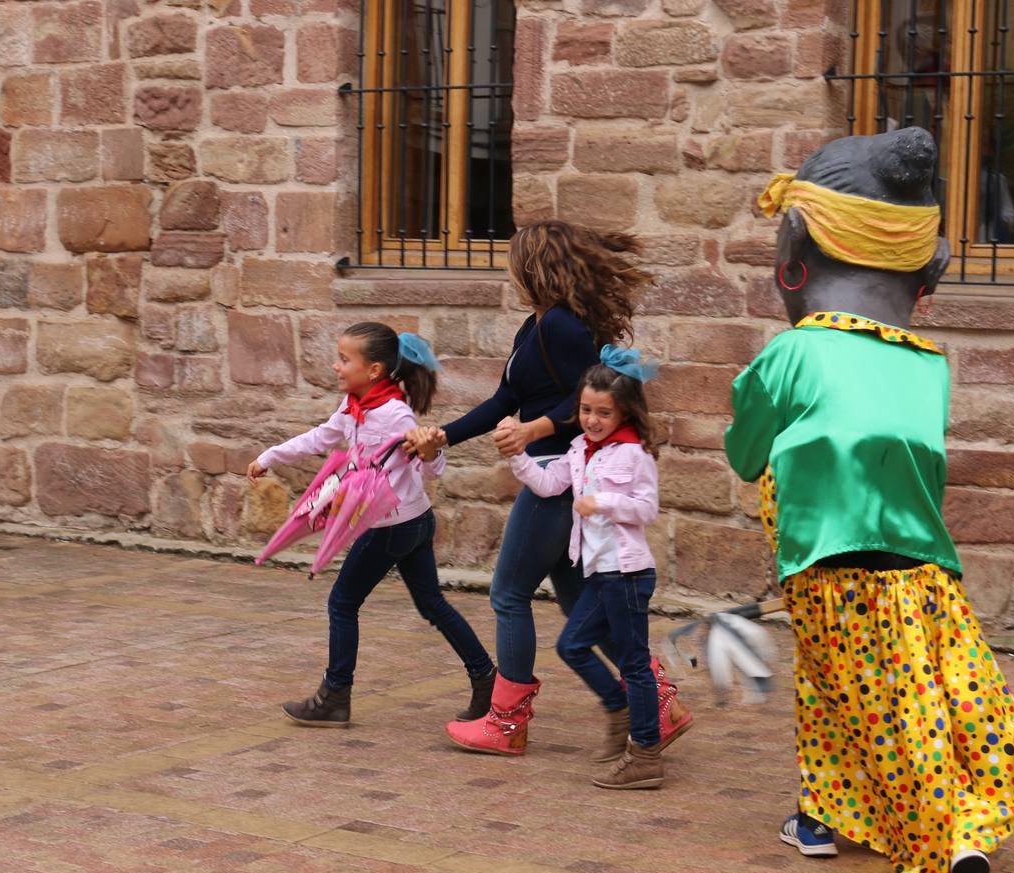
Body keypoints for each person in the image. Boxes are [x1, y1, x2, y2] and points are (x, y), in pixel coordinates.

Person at [725, 128, 1014, 873]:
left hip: (829, 571)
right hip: (925, 569)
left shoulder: (793, 352)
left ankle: (937, 844)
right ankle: (864, 819)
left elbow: (743, 452)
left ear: (795, 267)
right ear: (915, 283)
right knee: (947, 699)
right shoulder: (927, 365)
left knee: (860, 703)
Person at [405, 220, 692, 756]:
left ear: (533, 264)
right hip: (550, 466)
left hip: (559, 472)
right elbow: (502, 401)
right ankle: (660, 700)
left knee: (508, 593)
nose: (508, 266)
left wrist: (537, 429)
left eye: (515, 257)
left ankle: (506, 723)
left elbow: (591, 399)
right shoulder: (534, 325)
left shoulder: (562, 325)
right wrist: (444, 436)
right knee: (574, 598)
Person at [248, 323, 496, 729]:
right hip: (414, 521)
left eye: (345, 360)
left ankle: (334, 696)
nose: (335, 366)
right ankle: (486, 677)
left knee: (342, 603)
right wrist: (270, 456)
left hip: (393, 528)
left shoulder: (396, 414)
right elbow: (319, 438)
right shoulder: (352, 406)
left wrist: (432, 450)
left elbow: (433, 469)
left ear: (376, 370)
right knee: (432, 605)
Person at [508, 348, 666, 789]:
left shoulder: (634, 454)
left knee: (634, 664)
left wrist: (605, 503)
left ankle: (646, 753)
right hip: (599, 573)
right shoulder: (580, 450)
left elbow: (647, 509)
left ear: (624, 411)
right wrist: (518, 451)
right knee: (572, 646)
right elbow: (548, 482)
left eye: (603, 412)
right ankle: (619, 709)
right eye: (585, 410)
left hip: (628, 573)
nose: (592, 420)